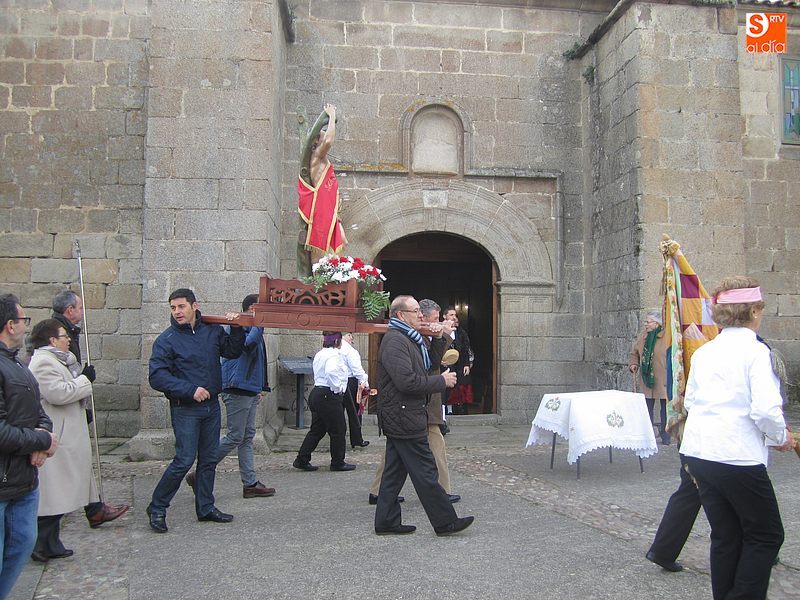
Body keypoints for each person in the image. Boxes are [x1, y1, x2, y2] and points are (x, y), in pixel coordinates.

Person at [681, 276, 794, 599]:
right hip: (736, 455)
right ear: (754, 311)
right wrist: (781, 437)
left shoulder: (705, 352)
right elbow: (766, 411)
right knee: (766, 535)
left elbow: (691, 402)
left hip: (700, 453)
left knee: (726, 534)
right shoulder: (756, 352)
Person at [27, 319, 129, 562]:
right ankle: (40, 545)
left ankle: (52, 543)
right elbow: (57, 393)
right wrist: (84, 380)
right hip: (59, 436)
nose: (68, 340)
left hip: (68, 433)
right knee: (55, 495)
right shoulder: (42, 362)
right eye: (64, 336)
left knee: (63, 493)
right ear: (52, 340)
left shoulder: (57, 360)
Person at [146, 289, 245, 533]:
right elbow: (157, 377)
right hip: (186, 409)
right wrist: (190, 390)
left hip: (211, 407)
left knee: (209, 460)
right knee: (184, 460)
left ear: (194, 306)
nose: (177, 312)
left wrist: (236, 326)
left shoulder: (211, 331)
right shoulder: (167, 340)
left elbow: (232, 351)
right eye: (173, 308)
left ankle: (206, 507)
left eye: (181, 306)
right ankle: (157, 507)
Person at [374, 295, 474, 536]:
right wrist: (441, 381)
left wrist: (439, 337)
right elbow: (407, 382)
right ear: (401, 315)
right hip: (404, 415)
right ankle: (445, 522)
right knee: (426, 471)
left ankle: (386, 521)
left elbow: (430, 364)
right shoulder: (396, 341)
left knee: (394, 473)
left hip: (404, 414)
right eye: (415, 311)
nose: (420, 315)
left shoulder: (410, 338)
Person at [185, 294, 275, 499]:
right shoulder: (239, 327)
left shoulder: (253, 328)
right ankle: (200, 472)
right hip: (236, 389)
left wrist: (260, 388)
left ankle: (250, 483)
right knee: (235, 436)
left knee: (246, 437)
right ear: (252, 309)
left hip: (248, 389)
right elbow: (247, 345)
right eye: (261, 310)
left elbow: (258, 361)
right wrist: (258, 322)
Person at [0, 294, 58, 597]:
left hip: (23, 479)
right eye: (23, 319)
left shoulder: (19, 365)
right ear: (11, 325)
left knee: (21, 545)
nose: (26, 326)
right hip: (3, 479)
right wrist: (42, 440)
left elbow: (39, 412)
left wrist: (43, 433)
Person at [293, 332, 356, 472]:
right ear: (337, 342)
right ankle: (337, 462)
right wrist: (337, 388)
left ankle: (302, 459)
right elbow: (331, 372)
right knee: (338, 430)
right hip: (328, 395)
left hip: (317, 393)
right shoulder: (334, 355)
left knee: (317, 429)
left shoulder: (320, 354)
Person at [298, 103, 347, 258]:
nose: (326, 136)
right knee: (327, 248)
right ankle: (327, 269)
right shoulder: (317, 158)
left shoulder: (320, 158)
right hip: (323, 207)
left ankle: (333, 268)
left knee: (342, 241)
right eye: (323, 135)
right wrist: (332, 116)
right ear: (316, 143)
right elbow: (328, 141)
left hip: (330, 208)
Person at [628, 310, 671, 445]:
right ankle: (647, 434)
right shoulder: (643, 336)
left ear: (657, 323)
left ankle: (666, 435)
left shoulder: (666, 336)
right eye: (645, 322)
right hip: (647, 378)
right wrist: (634, 363)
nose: (646, 324)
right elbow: (634, 353)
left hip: (663, 377)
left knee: (665, 408)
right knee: (647, 407)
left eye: (648, 322)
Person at [442, 307, 474, 416]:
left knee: (459, 386)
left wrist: (467, 364)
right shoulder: (440, 330)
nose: (454, 317)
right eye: (451, 315)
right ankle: (446, 410)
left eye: (455, 315)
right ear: (444, 316)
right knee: (445, 387)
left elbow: (466, 348)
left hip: (458, 364)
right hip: (444, 364)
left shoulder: (460, 332)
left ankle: (457, 409)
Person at [341, 332, 369, 449]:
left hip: (339, 381)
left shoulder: (334, 349)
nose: (351, 337)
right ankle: (357, 439)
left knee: (339, 411)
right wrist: (365, 382)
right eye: (349, 334)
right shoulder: (350, 351)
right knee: (355, 411)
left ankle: (339, 439)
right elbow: (357, 370)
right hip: (350, 381)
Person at [51, 290, 83, 362]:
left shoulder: (70, 329)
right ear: (70, 310)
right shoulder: (57, 330)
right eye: (80, 308)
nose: (82, 312)